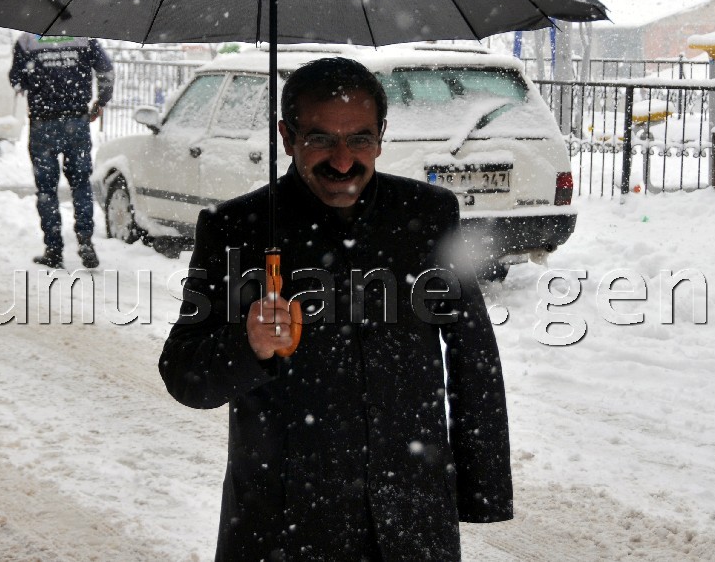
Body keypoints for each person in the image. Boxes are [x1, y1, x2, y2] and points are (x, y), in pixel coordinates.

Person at [160, 57, 512, 562]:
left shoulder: (426, 216)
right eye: (322, 139)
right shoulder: (237, 229)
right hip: (284, 523)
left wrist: (481, 487)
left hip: (407, 516)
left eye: (360, 139)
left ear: (382, 136)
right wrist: (249, 344)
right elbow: (183, 373)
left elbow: (473, 357)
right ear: (287, 136)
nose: (343, 161)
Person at [9, 33, 113, 269]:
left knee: (46, 189)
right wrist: (101, 101)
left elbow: (16, 79)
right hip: (77, 122)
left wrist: (34, 80)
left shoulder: (27, 41)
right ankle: (86, 240)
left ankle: (53, 249)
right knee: (81, 184)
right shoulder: (84, 39)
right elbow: (106, 70)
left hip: (42, 124)